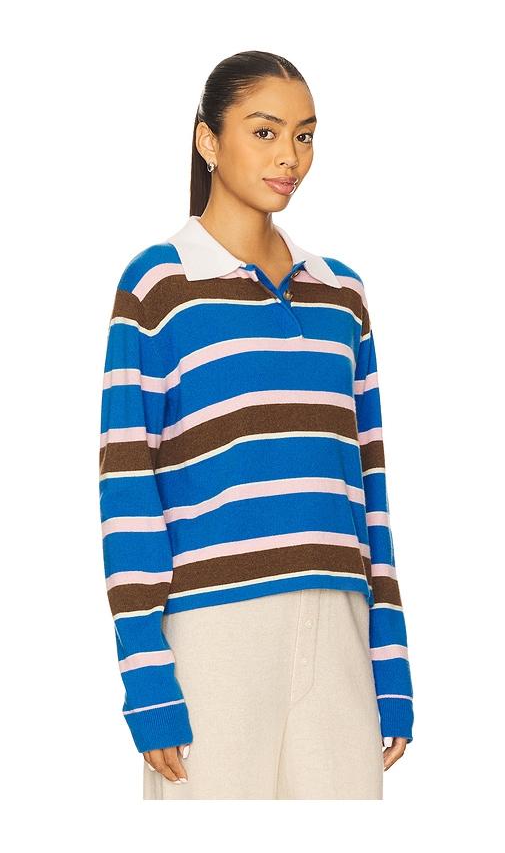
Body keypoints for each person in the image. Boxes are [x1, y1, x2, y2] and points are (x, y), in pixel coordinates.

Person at [98, 50, 414, 800]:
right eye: (265, 132)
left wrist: (390, 663)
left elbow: (369, 486)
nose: (289, 157)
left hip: (339, 632)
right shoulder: (159, 285)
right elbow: (127, 488)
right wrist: (147, 678)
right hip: (215, 635)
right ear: (208, 140)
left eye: (304, 136)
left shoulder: (341, 294)